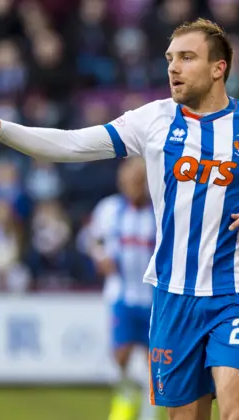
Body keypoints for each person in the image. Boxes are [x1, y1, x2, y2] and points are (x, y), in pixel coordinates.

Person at [0, 18, 239, 420]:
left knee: (238, 414)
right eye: (169, 59)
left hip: (238, 291)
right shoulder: (153, 120)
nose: (173, 68)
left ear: (219, 68)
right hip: (172, 296)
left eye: (187, 57)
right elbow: (73, 144)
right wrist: (0, 129)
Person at [87, 157, 158, 420]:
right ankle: (127, 397)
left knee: (156, 359)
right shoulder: (108, 210)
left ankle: (148, 414)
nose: (136, 186)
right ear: (122, 182)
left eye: (140, 181)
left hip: (154, 299)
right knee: (121, 355)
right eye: (131, 181)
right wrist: (100, 257)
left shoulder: (159, 212)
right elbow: (92, 240)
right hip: (121, 296)